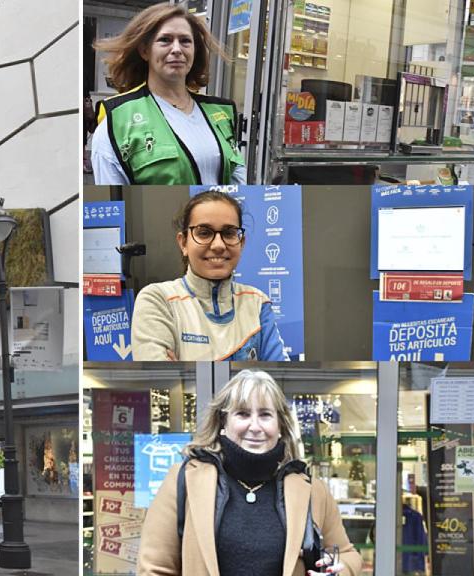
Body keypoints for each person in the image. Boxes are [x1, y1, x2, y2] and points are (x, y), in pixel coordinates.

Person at [137, 370, 362, 576]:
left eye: (265, 415)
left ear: (280, 427)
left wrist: (338, 571)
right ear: (223, 422)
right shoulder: (185, 479)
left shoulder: (312, 490)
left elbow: (349, 555)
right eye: (243, 414)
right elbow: (154, 568)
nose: (255, 427)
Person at [92, 4, 246, 186]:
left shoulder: (220, 113)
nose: (177, 49)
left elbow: (240, 186)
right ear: (144, 50)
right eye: (165, 40)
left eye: (185, 41)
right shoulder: (116, 121)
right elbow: (113, 202)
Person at [131, 190, 287, 361]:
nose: (218, 245)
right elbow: (162, 384)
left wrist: (184, 375)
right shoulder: (157, 299)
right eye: (204, 233)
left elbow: (277, 383)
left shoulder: (257, 303)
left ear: (241, 243)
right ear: (183, 243)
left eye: (229, 233)